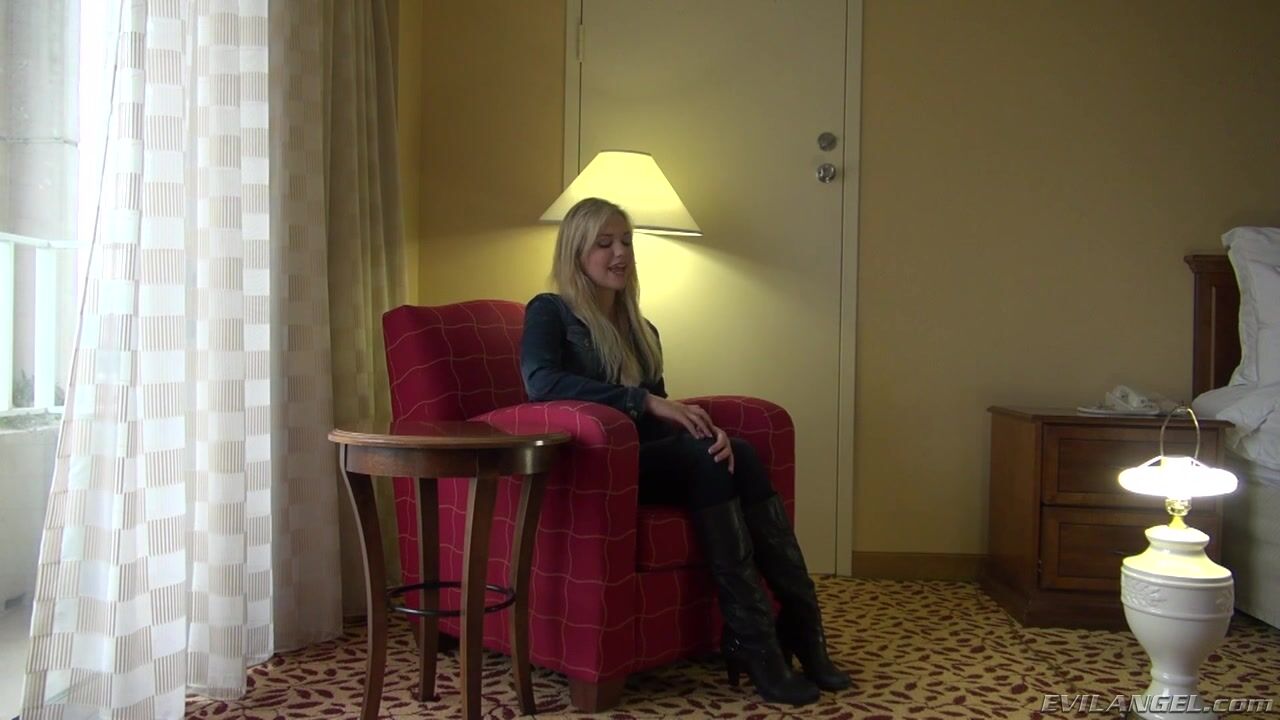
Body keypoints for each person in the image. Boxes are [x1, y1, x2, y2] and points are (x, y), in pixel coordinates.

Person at [519, 197, 850, 706]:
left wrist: (703, 430)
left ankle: (800, 627)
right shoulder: (551, 311)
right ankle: (758, 644)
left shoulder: (641, 329)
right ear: (575, 253)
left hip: (645, 458)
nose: (620, 253)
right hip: (595, 468)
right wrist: (642, 400)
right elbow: (541, 383)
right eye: (604, 244)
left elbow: (660, 418)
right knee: (705, 460)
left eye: (625, 241)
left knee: (737, 452)